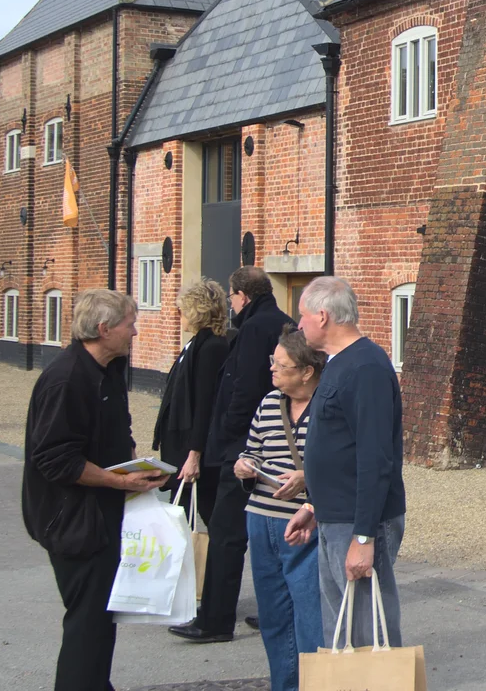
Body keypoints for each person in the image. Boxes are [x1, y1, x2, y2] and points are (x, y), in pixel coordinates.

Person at [22, 289, 168, 691]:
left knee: (100, 620)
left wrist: (139, 468)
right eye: (129, 324)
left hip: (100, 513)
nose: (135, 332)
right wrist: (119, 481)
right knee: (87, 622)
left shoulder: (108, 369)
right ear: (103, 329)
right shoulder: (67, 378)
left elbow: (114, 433)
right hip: (72, 519)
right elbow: (54, 458)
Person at [170, 265, 291, 643]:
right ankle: (277, 609)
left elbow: (245, 387)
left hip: (244, 448)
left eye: (232, 296)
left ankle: (215, 621)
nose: (231, 303)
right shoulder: (282, 322)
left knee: (226, 533)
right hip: (274, 444)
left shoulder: (254, 329)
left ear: (243, 296)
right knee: (273, 531)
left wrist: (227, 435)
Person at [284, 276, 406, 648]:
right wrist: (314, 504)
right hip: (336, 515)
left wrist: (364, 537)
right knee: (344, 631)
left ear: (322, 316)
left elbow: (375, 457)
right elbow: (342, 447)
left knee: (369, 634)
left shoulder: (365, 367)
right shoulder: (340, 362)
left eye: (302, 316)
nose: (298, 325)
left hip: (357, 521)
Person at [236, 326, 326, 691]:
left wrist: (306, 478)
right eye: (272, 362)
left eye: (281, 365)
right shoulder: (268, 403)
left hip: (304, 522)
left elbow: (343, 463)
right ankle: (284, 685)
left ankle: (314, 684)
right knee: (273, 614)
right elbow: (252, 449)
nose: (271, 370)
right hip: (261, 517)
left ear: (307, 371)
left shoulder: (327, 405)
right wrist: (244, 465)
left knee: (310, 615)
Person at [152, 279, 232, 524]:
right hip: (183, 445)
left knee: (205, 515)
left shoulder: (211, 347)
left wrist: (194, 454)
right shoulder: (197, 342)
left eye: (183, 309)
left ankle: (208, 561)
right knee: (182, 514)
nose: (180, 315)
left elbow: (205, 403)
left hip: (195, 450)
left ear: (198, 310)